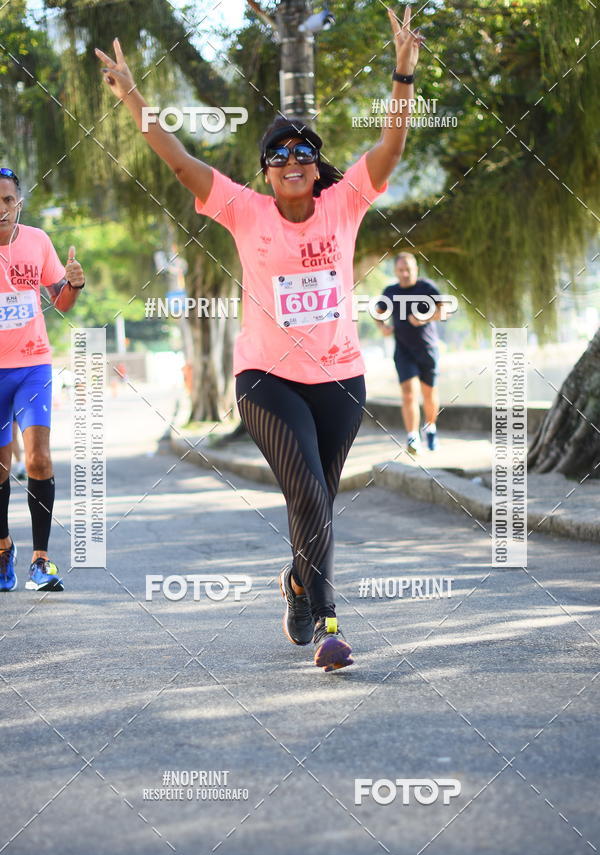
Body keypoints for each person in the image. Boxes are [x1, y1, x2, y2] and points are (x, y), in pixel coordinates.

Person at [96, 5, 423, 671]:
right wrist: (134, 98)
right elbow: (180, 160)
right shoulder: (245, 210)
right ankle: (331, 622)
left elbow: (390, 148)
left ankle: (300, 583)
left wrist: (402, 73)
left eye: (305, 150)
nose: (294, 159)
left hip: (341, 379)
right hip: (267, 382)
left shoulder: (345, 202)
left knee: (320, 503)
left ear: (316, 165)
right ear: (267, 171)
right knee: (305, 494)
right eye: (280, 154)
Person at [0, 167, 85, 591]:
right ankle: (2, 551)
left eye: (7, 200)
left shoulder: (37, 241)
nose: (1, 209)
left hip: (33, 365)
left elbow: (62, 303)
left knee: (38, 458)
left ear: (18, 203)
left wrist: (74, 284)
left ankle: (40, 560)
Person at [376, 252, 448, 454]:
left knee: (429, 394)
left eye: (408, 269)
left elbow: (444, 310)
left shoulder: (426, 288)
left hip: (428, 349)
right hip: (403, 350)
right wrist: (382, 327)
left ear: (416, 269)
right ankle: (412, 437)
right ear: (396, 271)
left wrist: (425, 318)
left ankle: (430, 428)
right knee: (408, 394)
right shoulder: (390, 291)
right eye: (400, 270)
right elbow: (378, 312)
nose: (405, 273)